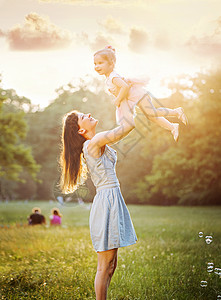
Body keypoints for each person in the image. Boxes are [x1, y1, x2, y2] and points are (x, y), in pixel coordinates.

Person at [59, 110, 137, 300]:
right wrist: (124, 101)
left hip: (112, 198)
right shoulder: (92, 143)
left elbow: (124, 124)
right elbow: (127, 127)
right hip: (106, 202)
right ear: (80, 130)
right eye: (83, 117)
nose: (89, 114)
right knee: (105, 265)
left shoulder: (97, 141)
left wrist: (123, 103)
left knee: (112, 265)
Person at [94, 45, 188, 142]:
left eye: (100, 63)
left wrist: (118, 99)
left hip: (139, 95)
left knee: (152, 113)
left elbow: (125, 87)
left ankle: (176, 112)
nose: (97, 66)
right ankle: (172, 127)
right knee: (151, 116)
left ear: (111, 64)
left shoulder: (113, 77)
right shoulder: (109, 77)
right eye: (95, 64)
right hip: (135, 97)